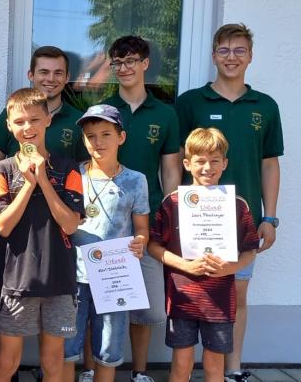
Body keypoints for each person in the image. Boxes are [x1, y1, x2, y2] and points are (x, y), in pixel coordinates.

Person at [174, 23, 283, 382]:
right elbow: (175, 159)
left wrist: (270, 217)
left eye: (239, 50)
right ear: (213, 56)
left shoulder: (265, 106)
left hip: (242, 220)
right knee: (193, 291)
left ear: (250, 56)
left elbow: (269, 163)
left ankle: (231, 369)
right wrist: (174, 207)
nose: (231, 57)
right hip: (195, 217)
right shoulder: (190, 102)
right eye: (224, 50)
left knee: (236, 293)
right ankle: (190, 368)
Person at [96, 35, 181, 382]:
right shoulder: (103, 110)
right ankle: (94, 368)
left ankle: (140, 371)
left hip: (148, 219)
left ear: (145, 64)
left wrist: (170, 215)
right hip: (106, 217)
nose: (124, 68)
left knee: (144, 304)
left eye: (131, 60)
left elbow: (171, 168)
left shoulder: (165, 113)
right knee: (102, 297)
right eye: (117, 62)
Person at [148, 127, 259, 382]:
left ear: (225, 164)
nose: (207, 168)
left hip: (219, 300)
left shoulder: (237, 204)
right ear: (187, 164)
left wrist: (229, 268)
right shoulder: (172, 202)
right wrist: (185, 265)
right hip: (182, 296)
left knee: (214, 366)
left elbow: (250, 250)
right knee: (181, 365)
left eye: (215, 161)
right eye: (200, 161)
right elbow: (154, 246)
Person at [0, 88, 84, 382]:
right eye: (19, 121)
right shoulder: (2, 170)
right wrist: (29, 184)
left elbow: (70, 225)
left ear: (48, 120)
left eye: (34, 119)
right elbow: (2, 226)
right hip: (18, 281)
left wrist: (43, 179)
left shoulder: (69, 168)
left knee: (54, 362)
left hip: (60, 281)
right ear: (8, 125)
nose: (27, 127)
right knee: (7, 361)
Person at [0, 47, 85, 300]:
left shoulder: (77, 119)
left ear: (67, 77)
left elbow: (85, 171)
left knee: (58, 303)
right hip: (16, 228)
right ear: (31, 74)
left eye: (58, 73)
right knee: (12, 305)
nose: (50, 78)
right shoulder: (10, 114)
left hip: (56, 234)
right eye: (44, 72)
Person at [62, 105, 149, 382]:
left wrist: (140, 241)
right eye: (91, 136)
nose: (98, 142)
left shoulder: (136, 180)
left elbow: (141, 228)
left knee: (108, 350)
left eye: (106, 134)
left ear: (121, 137)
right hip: (74, 276)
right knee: (66, 350)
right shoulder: (73, 175)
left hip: (115, 279)